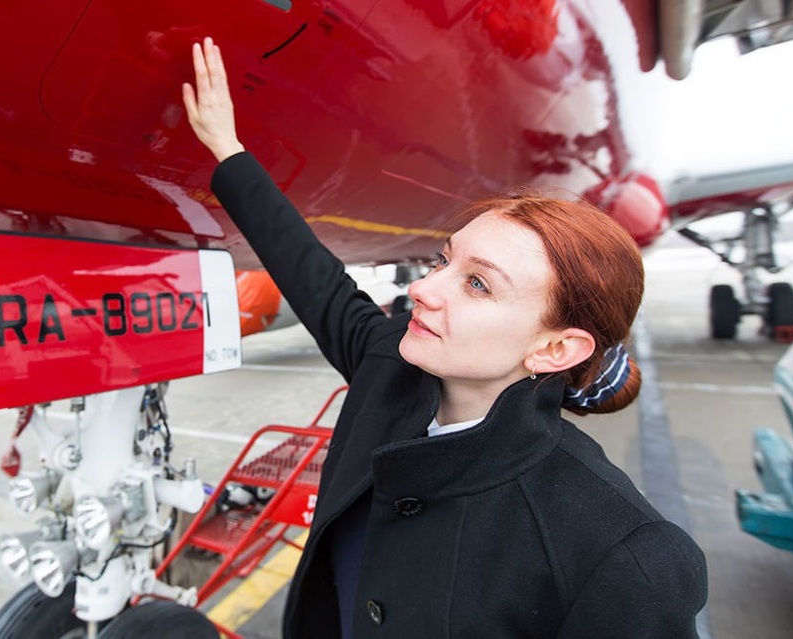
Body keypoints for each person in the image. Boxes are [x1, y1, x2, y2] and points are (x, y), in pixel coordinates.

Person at [182, 37, 707, 639]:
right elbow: (312, 274)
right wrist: (228, 148)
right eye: (444, 261)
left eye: (479, 285)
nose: (424, 290)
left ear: (555, 350)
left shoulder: (620, 555)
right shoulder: (388, 366)